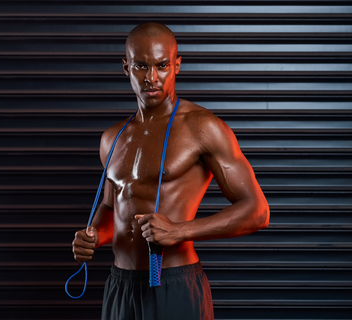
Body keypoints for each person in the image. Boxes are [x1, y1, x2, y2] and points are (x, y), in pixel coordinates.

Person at [72, 22, 270, 320]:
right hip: (120, 285)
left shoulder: (202, 128)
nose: (151, 77)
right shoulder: (112, 138)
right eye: (141, 65)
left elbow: (257, 212)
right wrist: (93, 235)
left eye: (162, 65)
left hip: (173, 283)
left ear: (177, 65)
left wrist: (180, 230)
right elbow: (112, 208)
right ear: (126, 67)